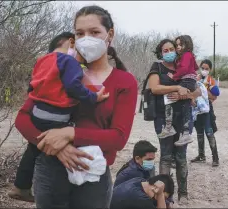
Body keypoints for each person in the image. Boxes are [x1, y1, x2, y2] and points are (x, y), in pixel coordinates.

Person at [14, 5, 137, 208]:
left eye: (95, 32)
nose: (86, 38)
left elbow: (118, 137)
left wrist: (70, 133)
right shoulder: (61, 73)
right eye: (80, 33)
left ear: (110, 34)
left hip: (93, 178)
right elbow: (22, 119)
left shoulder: (124, 82)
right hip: (49, 171)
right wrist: (58, 147)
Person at [8, 32, 83, 202]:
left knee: (31, 153)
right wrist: (50, 143)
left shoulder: (48, 70)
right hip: (53, 162)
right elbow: (21, 119)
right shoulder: (58, 75)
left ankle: (21, 187)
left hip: (79, 169)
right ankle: (21, 187)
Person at [148, 39, 201, 204]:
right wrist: (177, 88)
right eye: (165, 50)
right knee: (165, 156)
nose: (169, 51)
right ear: (161, 52)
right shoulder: (157, 67)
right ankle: (165, 195)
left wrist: (187, 95)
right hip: (163, 118)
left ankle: (183, 193)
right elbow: (155, 88)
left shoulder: (182, 66)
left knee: (181, 156)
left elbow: (198, 90)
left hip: (183, 118)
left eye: (172, 48)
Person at [160, 35, 198, 146]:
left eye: (181, 44)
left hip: (186, 80)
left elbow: (185, 68)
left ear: (188, 45)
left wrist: (175, 76)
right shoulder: (189, 55)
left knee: (169, 98)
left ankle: (169, 127)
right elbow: (194, 67)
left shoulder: (186, 54)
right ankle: (183, 131)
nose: (178, 47)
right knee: (184, 103)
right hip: (190, 80)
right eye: (177, 45)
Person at [191, 59, 220, 166]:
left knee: (209, 131)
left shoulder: (210, 80)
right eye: (202, 68)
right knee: (199, 132)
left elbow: (215, 95)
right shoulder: (195, 78)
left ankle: (215, 158)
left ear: (210, 69)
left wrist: (205, 89)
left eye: (206, 69)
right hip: (196, 110)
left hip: (207, 110)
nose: (204, 70)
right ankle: (201, 155)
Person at [110, 174, 175, 209]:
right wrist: (160, 194)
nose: (163, 200)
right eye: (163, 198)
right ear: (155, 188)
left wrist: (169, 202)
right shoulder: (141, 199)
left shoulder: (140, 180)